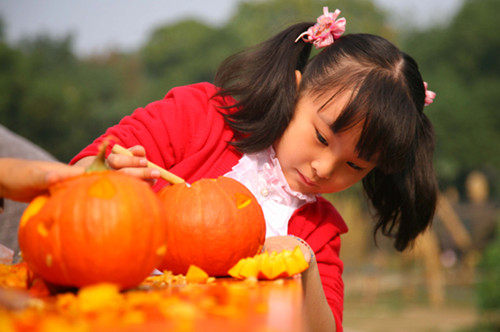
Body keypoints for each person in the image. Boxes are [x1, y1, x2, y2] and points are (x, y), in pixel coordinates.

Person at [70, 7, 438, 332]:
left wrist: (303, 265)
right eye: (322, 138)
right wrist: (107, 176)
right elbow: (81, 170)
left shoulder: (319, 234)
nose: (324, 168)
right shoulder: (200, 116)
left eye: (355, 165)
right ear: (296, 92)